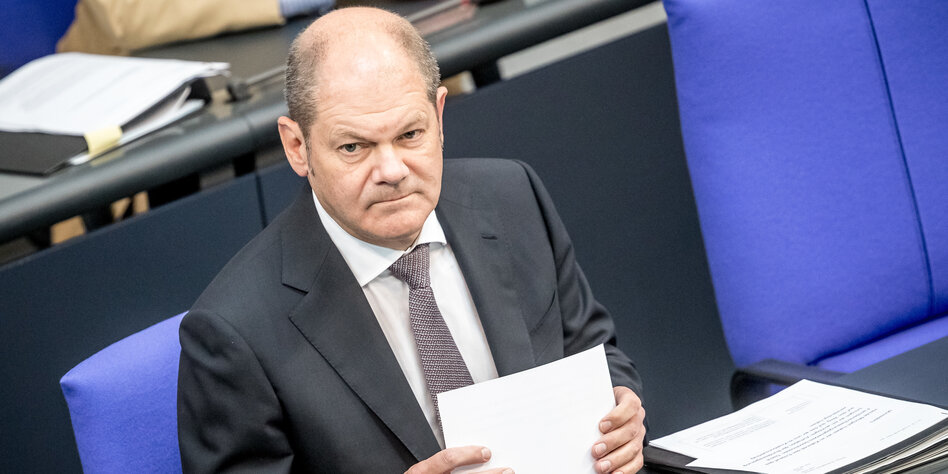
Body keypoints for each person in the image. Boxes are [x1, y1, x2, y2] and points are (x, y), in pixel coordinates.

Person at [177, 6, 646, 473]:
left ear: (439, 117)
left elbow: (593, 351)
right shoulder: (235, 331)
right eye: (353, 147)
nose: (392, 171)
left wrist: (620, 407)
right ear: (297, 147)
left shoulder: (512, 198)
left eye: (410, 134)